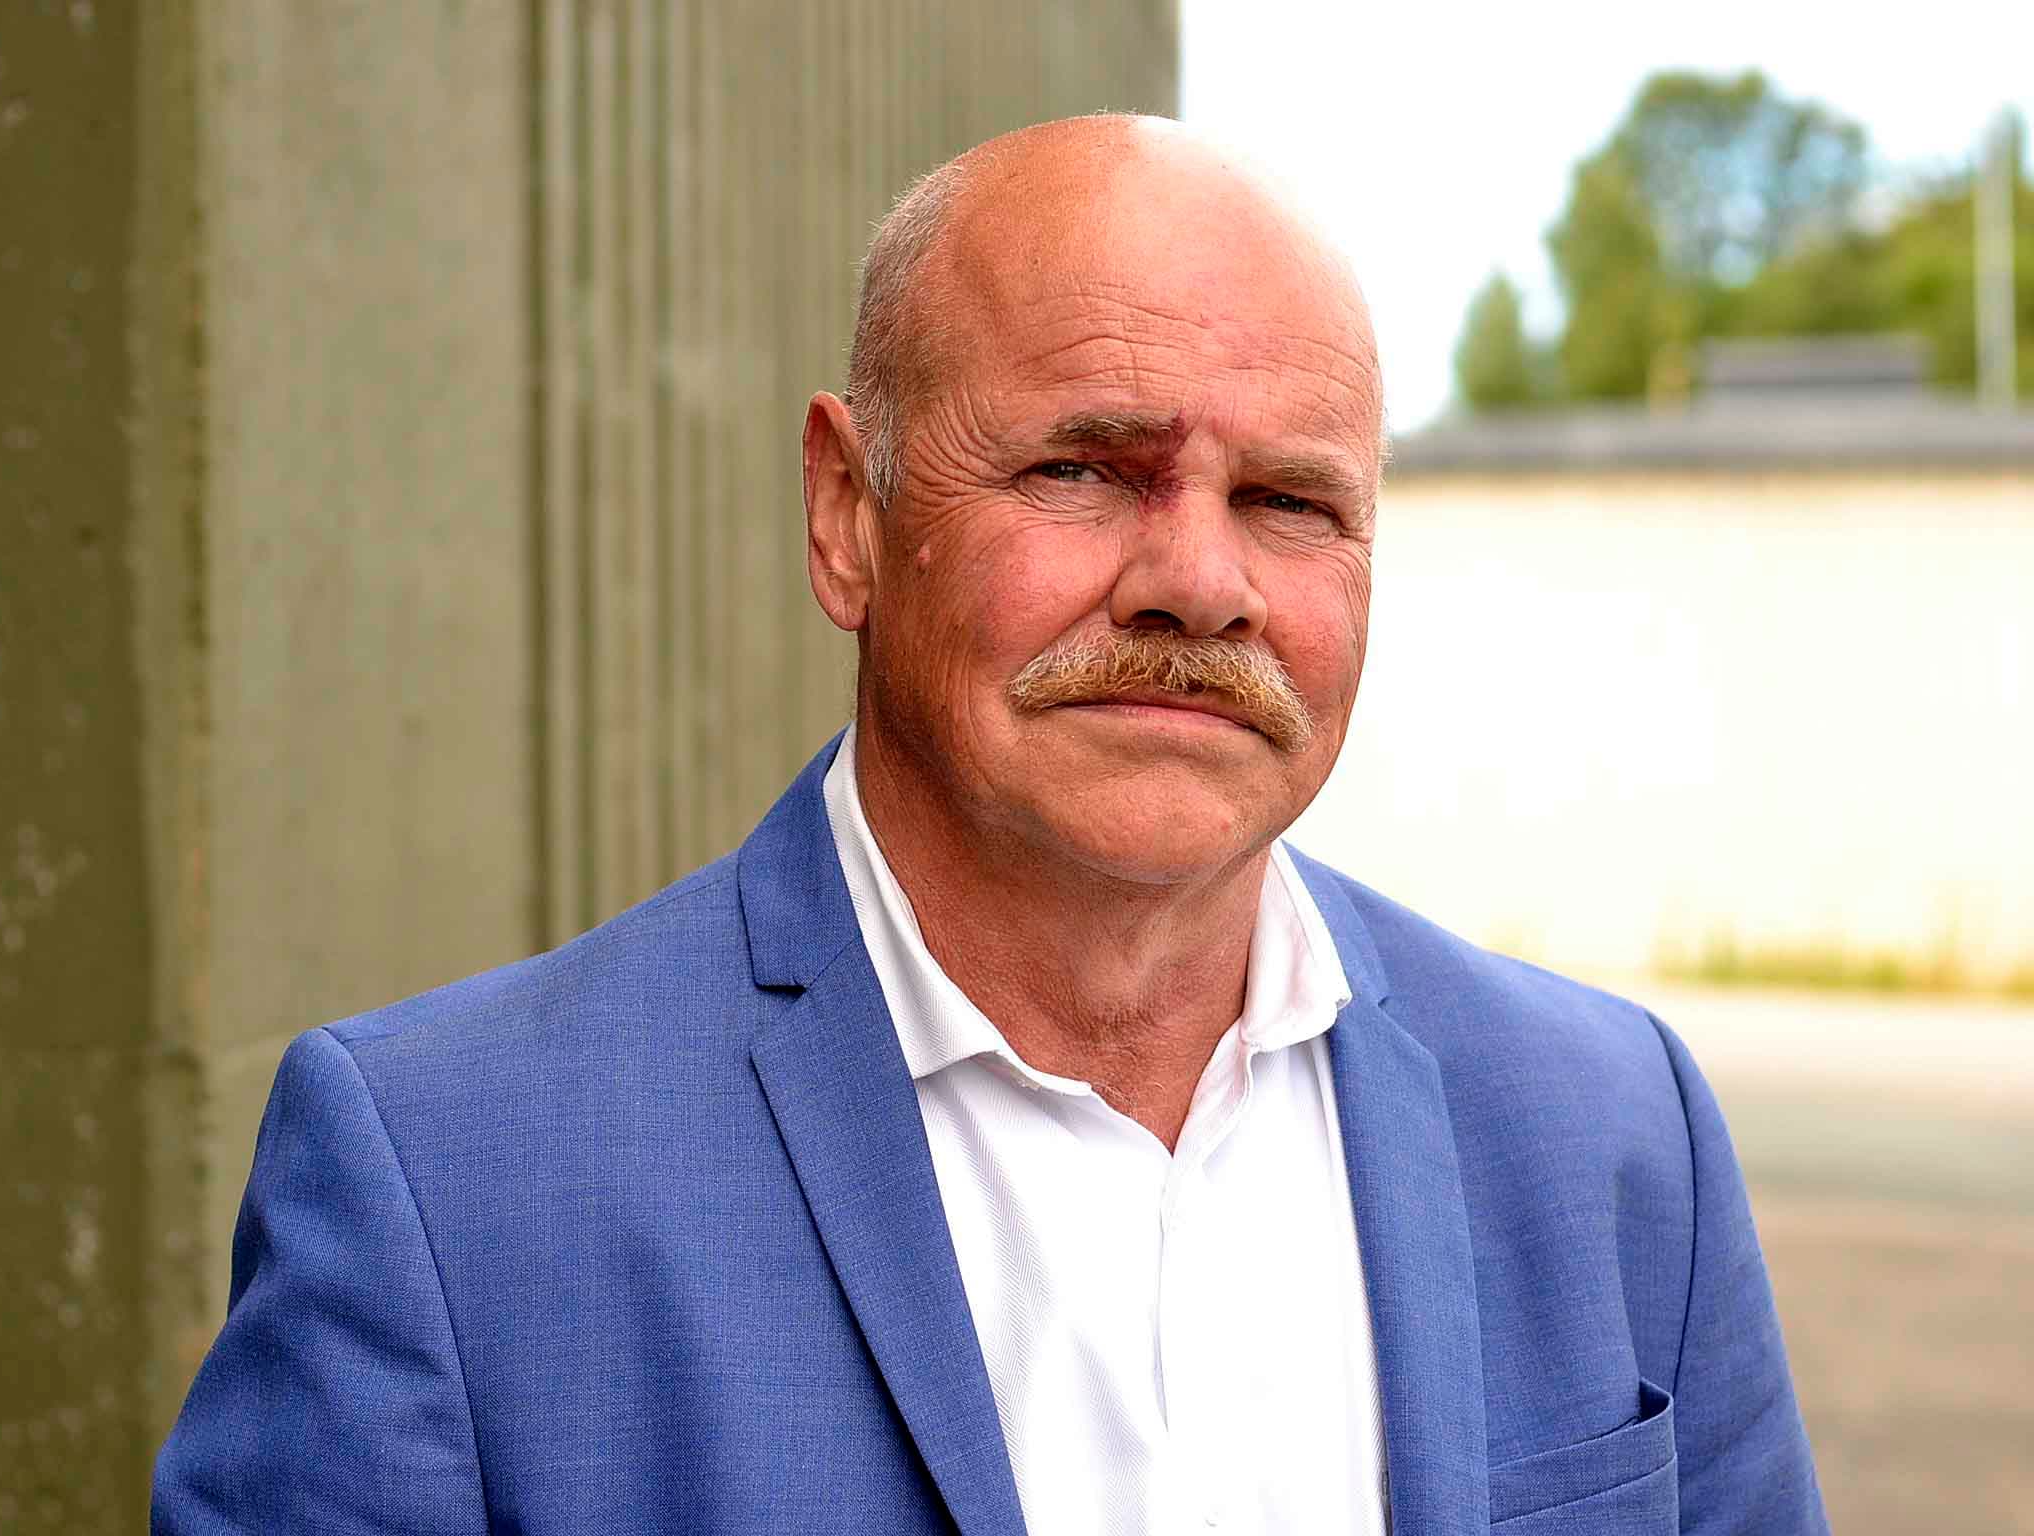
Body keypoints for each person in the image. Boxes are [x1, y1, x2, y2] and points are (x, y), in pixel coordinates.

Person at [153, 116, 1825, 1535]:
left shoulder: (1615, 1138)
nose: (1200, 582)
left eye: (1288, 501)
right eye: (1084, 471)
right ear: (847, 515)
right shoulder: (448, 1189)